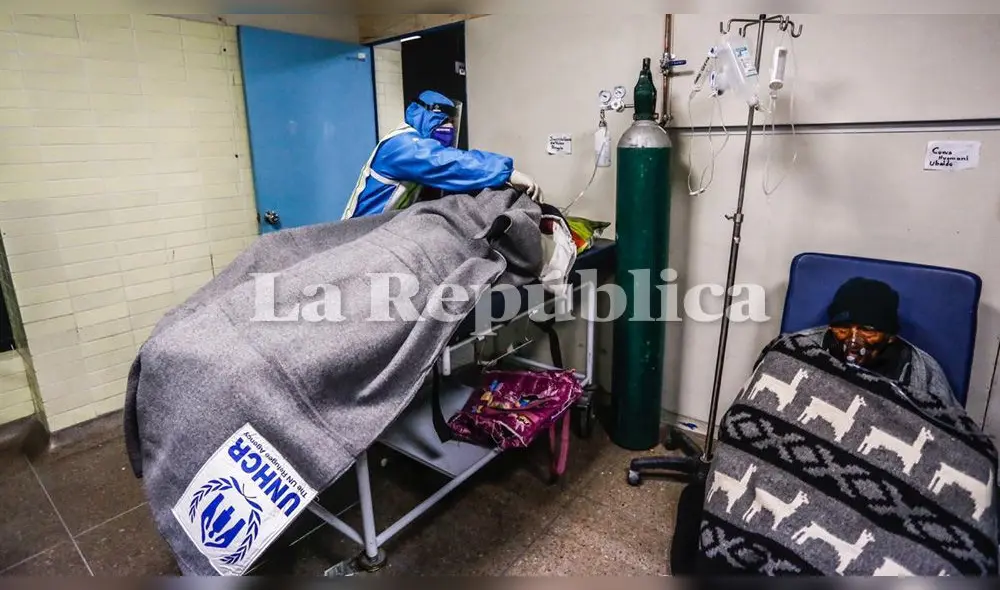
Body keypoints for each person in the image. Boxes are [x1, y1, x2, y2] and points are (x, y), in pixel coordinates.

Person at [342, 90, 542, 219]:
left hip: (384, 228)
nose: (450, 128)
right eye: (444, 121)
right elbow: (448, 163)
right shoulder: (402, 145)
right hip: (361, 232)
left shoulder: (420, 144)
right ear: (426, 116)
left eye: (452, 123)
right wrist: (507, 172)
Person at [794, 276, 958, 407]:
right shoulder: (798, 347)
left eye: (868, 330)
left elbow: (948, 433)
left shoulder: (921, 370)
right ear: (831, 327)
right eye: (843, 328)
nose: (853, 340)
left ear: (890, 335)